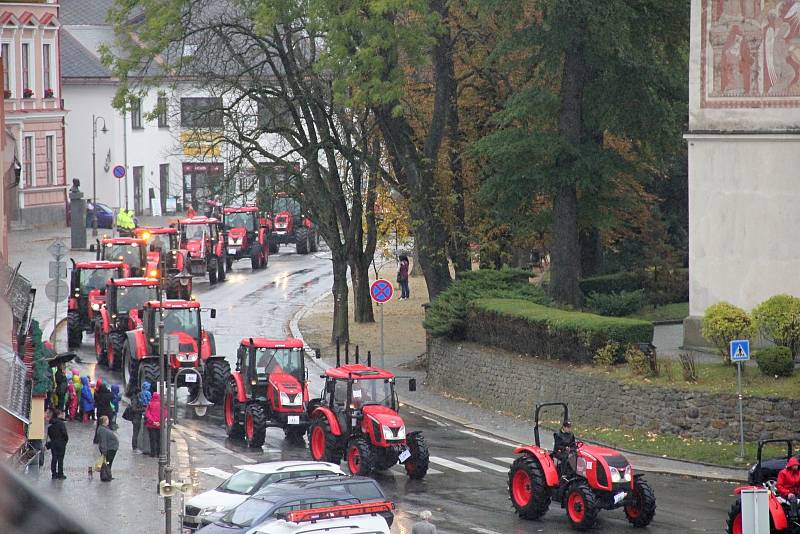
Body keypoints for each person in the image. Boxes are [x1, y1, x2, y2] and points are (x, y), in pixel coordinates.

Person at [46, 409, 69, 480]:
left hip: (53, 443)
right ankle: (60, 474)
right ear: (58, 415)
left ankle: (54, 474)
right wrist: (65, 441)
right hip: (61, 443)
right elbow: (65, 434)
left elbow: (49, 434)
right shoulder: (61, 424)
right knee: (60, 459)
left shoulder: (50, 424)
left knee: (54, 458)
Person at [95, 416, 119, 481]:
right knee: (107, 463)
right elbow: (103, 441)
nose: (108, 421)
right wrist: (104, 451)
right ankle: (106, 475)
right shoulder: (103, 430)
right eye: (107, 420)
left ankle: (108, 475)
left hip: (111, 448)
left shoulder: (104, 428)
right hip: (109, 449)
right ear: (104, 421)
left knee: (108, 463)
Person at [144, 390, 162, 457]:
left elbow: (147, 414)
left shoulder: (150, 404)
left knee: (152, 439)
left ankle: (153, 453)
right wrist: (159, 422)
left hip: (151, 425)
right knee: (158, 439)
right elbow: (165, 413)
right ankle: (158, 453)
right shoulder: (162, 404)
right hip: (159, 425)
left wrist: (153, 421)